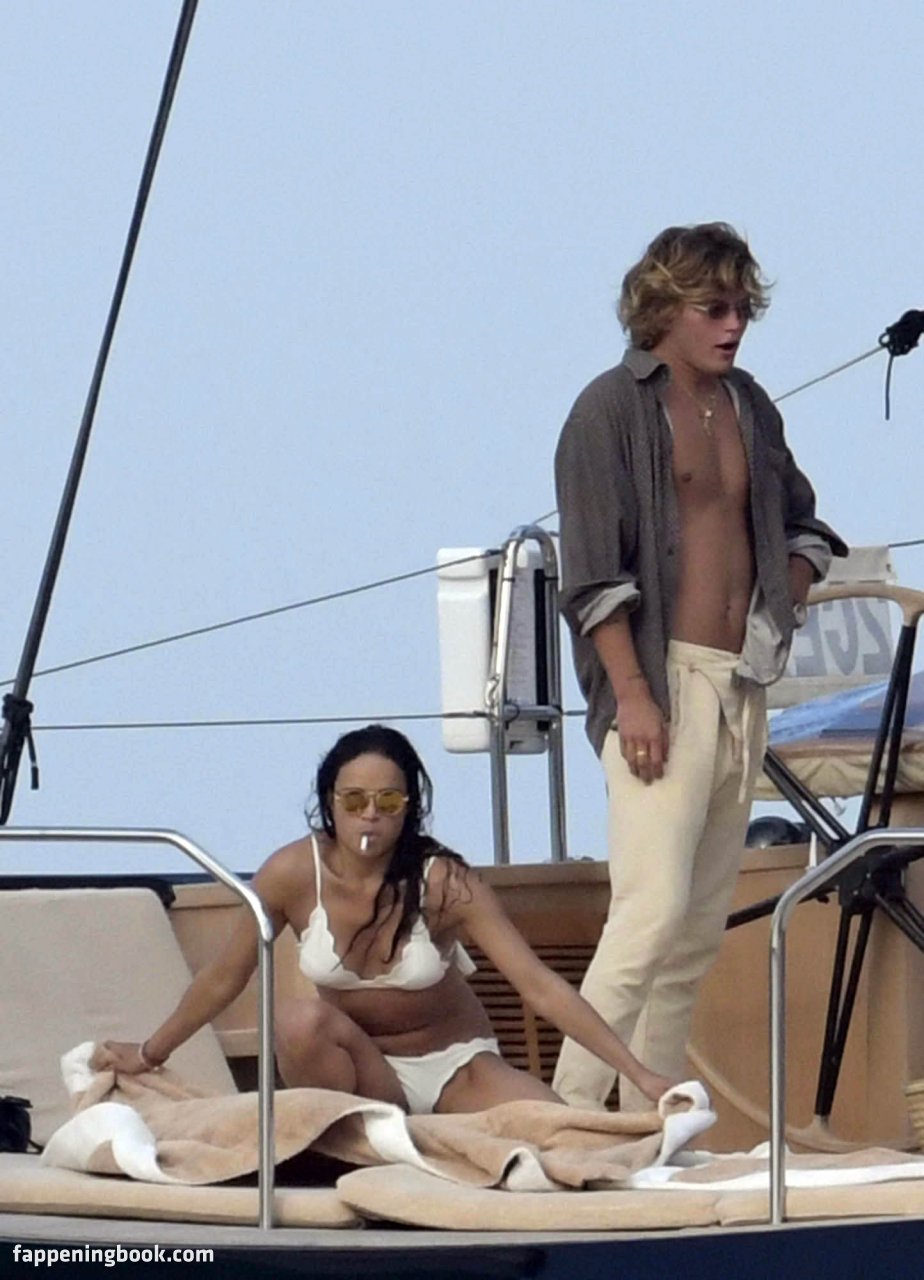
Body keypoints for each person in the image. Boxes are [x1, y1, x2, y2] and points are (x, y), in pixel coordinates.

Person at [551, 223, 846, 1111]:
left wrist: (785, 595)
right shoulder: (608, 410)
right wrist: (634, 696)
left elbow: (803, 522)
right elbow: (592, 578)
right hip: (659, 683)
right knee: (645, 919)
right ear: (663, 308)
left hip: (740, 682)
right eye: (714, 309)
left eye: (742, 309)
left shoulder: (750, 405)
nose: (733, 325)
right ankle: (566, 1114)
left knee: (693, 935)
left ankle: (652, 1122)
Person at [100, 724, 673, 1114]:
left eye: (388, 802)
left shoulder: (445, 882)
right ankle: (350, 1148)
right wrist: (150, 1053)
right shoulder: (291, 873)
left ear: (409, 807)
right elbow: (224, 977)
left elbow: (539, 986)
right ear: (330, 802)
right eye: (354, 801)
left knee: (559, 1131)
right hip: (362, 1072)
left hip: (455, 1068)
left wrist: (638, 1074)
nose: (370, 815)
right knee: (298, 1020)